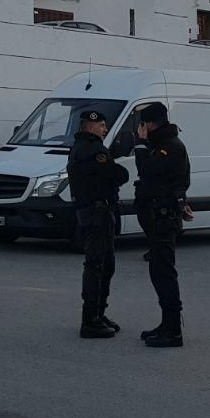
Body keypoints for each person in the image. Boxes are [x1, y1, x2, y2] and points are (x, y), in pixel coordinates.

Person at [67, 109, 129, 339]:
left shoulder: (77, 148)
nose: (105, 129)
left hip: (89, 211)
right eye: (102, 125)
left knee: (103, 264)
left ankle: (98, 314)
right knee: (98, 265)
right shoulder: (94, 149)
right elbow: (118, 174)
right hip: (98, 212)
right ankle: (91, 319)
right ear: (91, 127)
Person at [133, 102, 191, 348]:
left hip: (163, 218)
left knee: (164, 273)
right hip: (159, 216)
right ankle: (167, 324)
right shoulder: (163, 145)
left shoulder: (169, 147)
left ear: (149, 125)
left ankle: (173, 329)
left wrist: (140, 145)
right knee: (158, 272)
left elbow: (147, 171)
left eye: (142, 125)